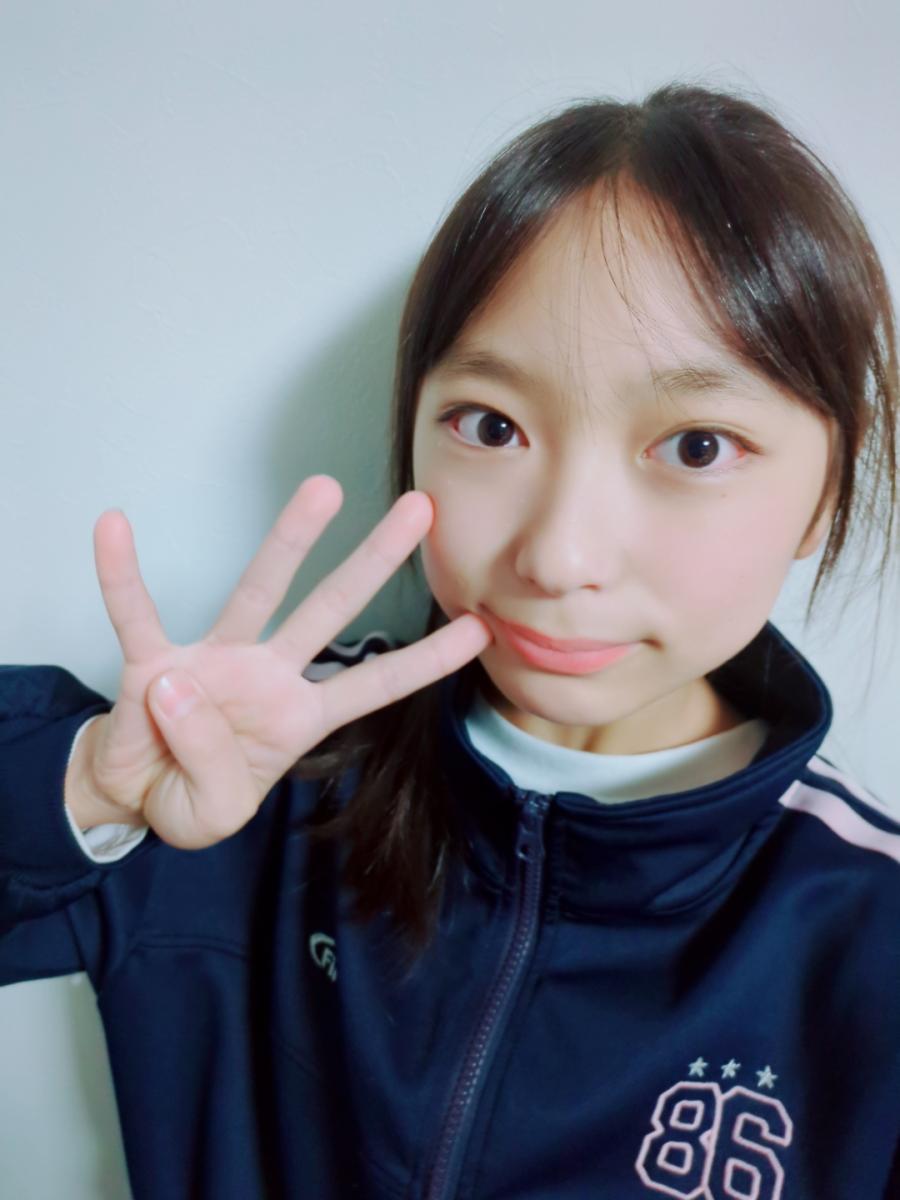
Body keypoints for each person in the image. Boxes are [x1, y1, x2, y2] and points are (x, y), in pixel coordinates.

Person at [2, 80, 899, 1200]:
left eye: (697, 447)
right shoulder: (251, 773)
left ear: (826, 496)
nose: (559, 555)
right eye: (492, 426)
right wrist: (88, 788)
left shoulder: (866, 928)